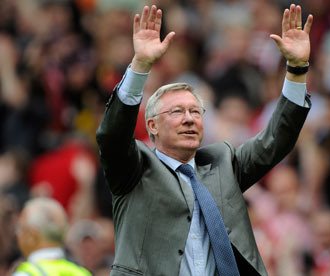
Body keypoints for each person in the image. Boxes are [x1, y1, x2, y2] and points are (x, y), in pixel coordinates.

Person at [96, 3, 313, 276]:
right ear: (152, 126)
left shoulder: (223, 162)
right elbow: (112, 137)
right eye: (177, 111)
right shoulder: (133, 168)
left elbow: (276, 139)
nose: (189, 118)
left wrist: (296, 68)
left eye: (195, 112)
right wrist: (140, 67)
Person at [13, 197, 91, 276]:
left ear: (33, 235)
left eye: (20, 228)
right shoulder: (82, 272)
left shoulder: (26, 274)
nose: (17, 234)